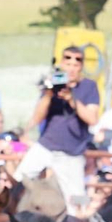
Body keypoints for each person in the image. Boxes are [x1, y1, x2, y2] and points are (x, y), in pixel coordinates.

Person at [24, 50, 101, 210]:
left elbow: (92, 119)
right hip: (46, 145)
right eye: (68, 64)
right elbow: (37, 118)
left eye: (76, 64)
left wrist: (71, 99)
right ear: (61, 64)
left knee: (77, 199)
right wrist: (48, 94)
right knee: (20, 179)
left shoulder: (89, 86)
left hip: (72, 151)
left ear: (81, 67)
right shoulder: (53, 83)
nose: (71, 69)